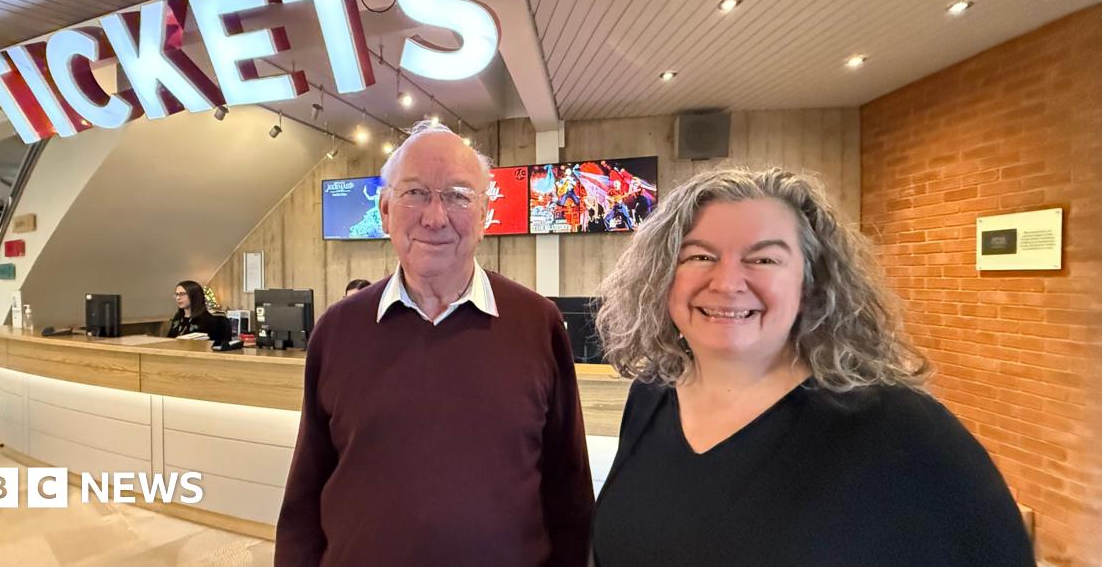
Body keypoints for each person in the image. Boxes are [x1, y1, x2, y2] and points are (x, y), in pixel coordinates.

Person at [591, 167, 1034, 566]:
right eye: (698, 256)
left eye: (763, 259)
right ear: (663, 277)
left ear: (812, 283)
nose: (726, 282)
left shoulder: (900, 429)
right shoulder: (652, 396)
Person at [275, 121, 593, 567]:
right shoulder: (337, 329)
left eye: (459, 195)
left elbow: (570, 491)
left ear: (484, 215)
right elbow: (306, 492)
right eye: (416, 193)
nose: (435, 216)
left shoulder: (538, 324)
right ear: (385, 210)